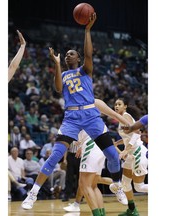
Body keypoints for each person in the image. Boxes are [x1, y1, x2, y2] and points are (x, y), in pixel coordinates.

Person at [21, 13, 125, 211]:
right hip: (72, 118)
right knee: (55, 155)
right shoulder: (65, 73)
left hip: (91, 116)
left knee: (112, 155)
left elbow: (89, 54)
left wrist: (87, 30)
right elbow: (59, 88)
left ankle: (118, 185)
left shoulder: (86, 70)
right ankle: (32, 194)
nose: (68, 55)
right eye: (66, 54)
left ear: (78, 58)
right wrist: (57, 64)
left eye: (71, 54)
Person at [63, 130, 113, 216]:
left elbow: (75, 142)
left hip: (90, 149)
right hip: (100, 150)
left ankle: (95, 214)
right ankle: (101, 213)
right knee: (94, 186)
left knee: (84, 185)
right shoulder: (98, 121)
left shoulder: (79, 119)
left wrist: (80, 145)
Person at [112, 98, 148, 216]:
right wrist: (118, 143)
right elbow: (127, 137)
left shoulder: (126, 116)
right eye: (115, 104)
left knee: (139, 187)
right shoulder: (120, 119)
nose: (116, 106)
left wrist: (126, 150)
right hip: (130, 154)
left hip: (137, 151)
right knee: (125, 183)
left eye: (119, 104)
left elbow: (137, 134)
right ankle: (132, 210)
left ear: (125, 106)